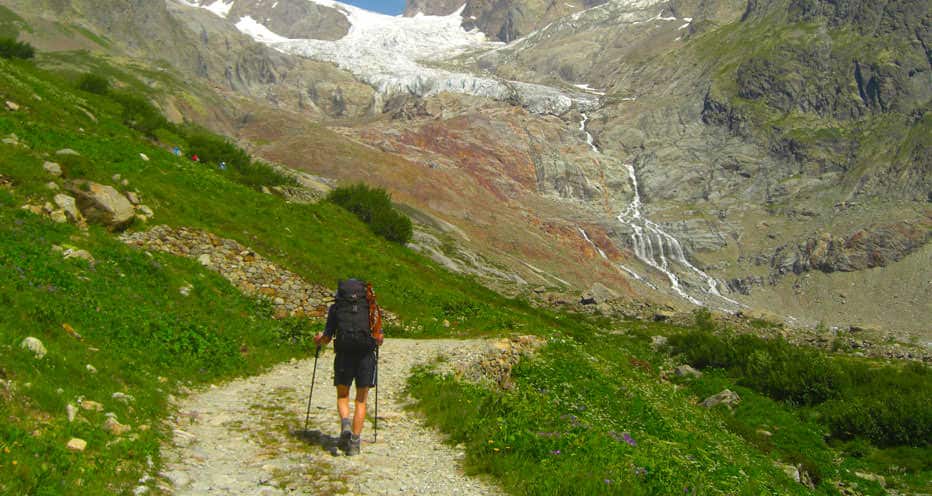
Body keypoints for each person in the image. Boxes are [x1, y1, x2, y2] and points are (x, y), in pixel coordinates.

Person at [314, 279, 383, 456]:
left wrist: (319, 340)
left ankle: (345, 422)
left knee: (342, 395)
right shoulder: (370, 307)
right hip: (365, 355)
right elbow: (379, 337)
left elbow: (327, 337)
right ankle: (354, 442)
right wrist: (377, 341)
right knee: (361, 400)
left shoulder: (336, 308)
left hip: (344, 354)